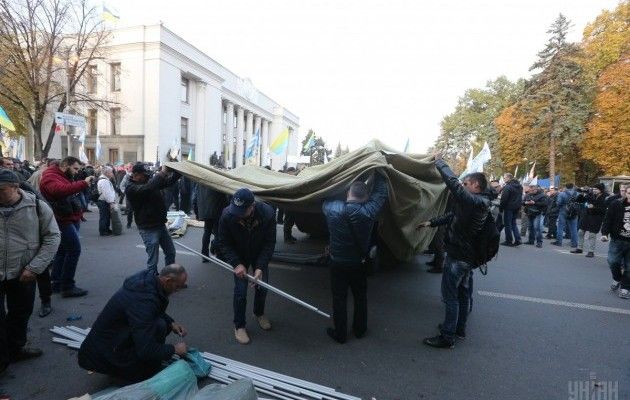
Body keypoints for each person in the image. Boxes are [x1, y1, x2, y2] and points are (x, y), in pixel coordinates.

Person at [418, 154, 491, 349]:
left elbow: (454, 186)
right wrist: (430, 222)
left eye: (466, 183)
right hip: (467, 257)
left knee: (450, 297)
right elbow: (453, 216)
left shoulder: (476, 202)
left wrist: (440, 162)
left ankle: (447, 336)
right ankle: (459, 329)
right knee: (462, 294)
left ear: (476, 185)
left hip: (459, 257)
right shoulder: (477, 204)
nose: (463, 185)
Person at [78, 264, 189, 382]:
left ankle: (140, 363)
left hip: (111, 341)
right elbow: (146, 350)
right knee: (149, 368)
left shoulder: (149, 281)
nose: (178, 290)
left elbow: (153, 312)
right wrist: (174, 350)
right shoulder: (143, 301)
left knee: (162, 325)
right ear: (167, 280)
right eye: (177, 287)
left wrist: (171, 323)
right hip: (101, 355)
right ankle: (127, 371)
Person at [0, 170, 60, 373]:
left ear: (16, 188)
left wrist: (34, 267)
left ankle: (15, 349)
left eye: (2, 190)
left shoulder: (36, 206)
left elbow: (52, 237)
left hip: (23, 272)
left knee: (20, 313)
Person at [322, 172, 388, 343]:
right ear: (366, 197)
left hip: (337, 263)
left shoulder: (332, 209)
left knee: (339, 298)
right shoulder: (368, 211)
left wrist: (341, 181)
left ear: (347, 193)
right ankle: (360, 330)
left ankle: (340, 334)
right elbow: (381, 193)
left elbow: (325, 194)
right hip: (358, 264)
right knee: (360, 297)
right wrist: (379, 170)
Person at [216, 188, 276, 345]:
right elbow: (223, 243)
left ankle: (259, 313)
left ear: (252, 206)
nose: (238, 213)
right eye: (236, 210)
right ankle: (239, 325)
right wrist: (236, 264)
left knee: (262, 287)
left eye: (243, 210)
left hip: (258, 252)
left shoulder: (268, 213)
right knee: (241, 291)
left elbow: (269, 243)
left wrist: (260, 267)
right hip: (239, 254)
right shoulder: (227, 214)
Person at [40, 156, 94, 297]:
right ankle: (67, 286)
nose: (77, 172)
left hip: (68, 217)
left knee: (63, 251)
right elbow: (60, 190)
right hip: (62, 220)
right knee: (74, 250)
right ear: (65, 165)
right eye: (75, 168)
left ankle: (57, 283)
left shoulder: (60, 175)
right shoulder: (50, 176)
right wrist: (83, 183)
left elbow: (68, 193)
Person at [125, 163, 181, 274]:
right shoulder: (131, 187)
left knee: (170, 252)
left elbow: (167, 182)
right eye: (143, 175)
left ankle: (170, 278)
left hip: (160, 224)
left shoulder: (146, 182)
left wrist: (178, 172)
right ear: (135, 174)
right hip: (148, 228)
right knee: (153, 260)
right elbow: (148, 188)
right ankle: (152, 282)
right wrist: (163, 172)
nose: (146, 177)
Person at [601, 185, 630, 299]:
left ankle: (625, 288)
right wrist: (604, 233)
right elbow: (608, 219)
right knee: (612, 261)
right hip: (617, 239)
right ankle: (617, 278)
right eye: (628, 193)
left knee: (629, 267)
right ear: (626, 193)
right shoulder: (617, 204)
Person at [572, 184, 607, 257]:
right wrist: (582, 194)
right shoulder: (591, 194)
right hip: (587, 216)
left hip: (597, 217)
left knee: (592, 234)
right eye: (593, 189)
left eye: (596, 189)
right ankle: (579, 248)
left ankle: (591, 251)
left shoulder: (604, 197)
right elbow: (578, 200)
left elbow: (602, 209)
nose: (594, 190)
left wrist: (593, 206)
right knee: (580, 232)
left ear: (601, 190)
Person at [195, 184, 227, 262]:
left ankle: (204, 255)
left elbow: (195, 197)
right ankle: (219, 255)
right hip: (217, 211)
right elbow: (225, 197)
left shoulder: (200, 183)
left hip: (205, 211)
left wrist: (197, 212)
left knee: (207, 232)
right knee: (218, 233)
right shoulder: (215, 181)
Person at [499, 173, 523, 247]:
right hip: (516, 207)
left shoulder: (508, 187)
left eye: (505, 177)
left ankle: (508, 240)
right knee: (513, 224)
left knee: (508, 224)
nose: (504, 179)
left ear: (509, 178)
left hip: (509, 207)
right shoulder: (520, 187)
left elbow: (504, 199)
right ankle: (518, 239)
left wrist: (501, 208)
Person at [552, 183, 579, 248]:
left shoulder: (562, 194)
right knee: (574, 228)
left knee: (560, 227)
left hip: (564, 211)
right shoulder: (577, 194)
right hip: (574, 212)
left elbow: (558, 203)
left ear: (565, 187)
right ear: (573, 187)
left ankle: (559, 242)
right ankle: (574, 243)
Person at [96, 166, 117, 236]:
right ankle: (103, 231)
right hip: (104, 201)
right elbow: (107, 193)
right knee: (104, 216)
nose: (112, 174)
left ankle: (106, 229)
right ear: (107, 173)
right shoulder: (104, 181)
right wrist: (111, 202)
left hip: (104, 201)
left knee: (106, 216)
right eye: (111, 172)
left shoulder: (104, 180)